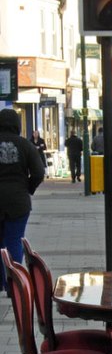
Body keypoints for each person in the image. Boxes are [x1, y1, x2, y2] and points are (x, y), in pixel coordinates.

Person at [0, 108, 45, 293]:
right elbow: (39, 172)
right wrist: (28, 187)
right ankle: (14, 285)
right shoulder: (25, 145)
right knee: (13, 241)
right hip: (18, 201)